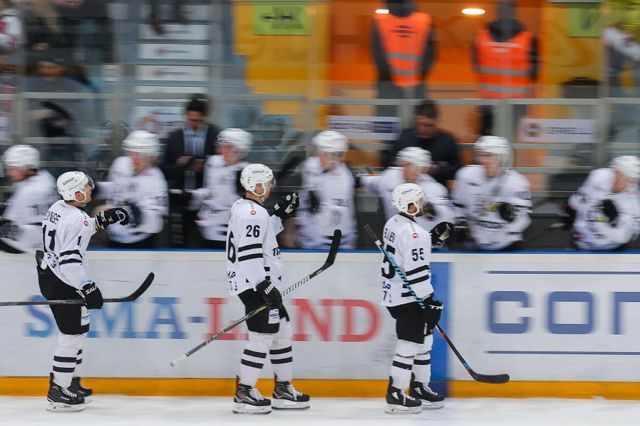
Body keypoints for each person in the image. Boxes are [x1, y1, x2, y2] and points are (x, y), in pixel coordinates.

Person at [38, 171, 129, 411]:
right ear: (76, 193)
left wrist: (102, 220)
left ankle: (71, 382)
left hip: (50, 275)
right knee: (72, 336)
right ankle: (58, 391)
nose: (90, 189)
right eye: (86, 187)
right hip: (65, 281)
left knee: (77, 332)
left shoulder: (57, 207)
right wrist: (88, 288)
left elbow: (74, 229)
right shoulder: (77, 218)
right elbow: (70, 262)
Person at [226, 163, 308, 414]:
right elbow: (250, 254)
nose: (271, 186)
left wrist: (278, 215)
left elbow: (263, 236)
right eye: (268, 182)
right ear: (257, 185)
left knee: (282, 330)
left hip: (255, 282)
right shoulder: (253, 214)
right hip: (256, 284)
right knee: (262, 336)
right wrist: (263, 285)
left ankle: (283, 387)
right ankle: (244, 392)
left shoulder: (246, 208)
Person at [380, 182, 445, 414]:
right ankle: (396, 394)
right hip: (410, 297)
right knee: (408, 345)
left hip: (394, 293)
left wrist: (430, 240)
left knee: (424, 341)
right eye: (418, 200)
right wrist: (428, 301)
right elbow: (416, 273)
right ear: (409, 205)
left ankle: (419, 387)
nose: (422, 203)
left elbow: (405, 250)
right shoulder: (415, 233)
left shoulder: (393, 223)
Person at [161, 94, 221, 247]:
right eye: (190, 119)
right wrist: (181, 167)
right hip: (180, 199)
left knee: (203, 241)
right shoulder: (174, 138)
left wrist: (205, 166)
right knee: (180, 240)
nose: (193, 123)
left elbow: (222, 165)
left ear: (204, 118)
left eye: (197, 120)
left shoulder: (215, 135)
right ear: (186, 116)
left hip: (206, 199)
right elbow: (163, 170)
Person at [471, 0, 538, 136]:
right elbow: (534, 74)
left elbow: (476, 66)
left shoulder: (481, 37)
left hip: (490, 103)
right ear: (514, 12)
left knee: (488, 142)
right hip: (515, 105)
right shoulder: (529, 39)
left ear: (497, 11)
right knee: (508, 142)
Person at [452, 136, 531, 250]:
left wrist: (511, 216)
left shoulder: (516, 182)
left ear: (502, 157)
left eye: (490, 156)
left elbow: (524, 219)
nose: (484, 160)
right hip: (474, 245)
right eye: (481, 155)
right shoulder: (466, 175)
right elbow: (458, 206)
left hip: (505, 245)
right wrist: (460, 223)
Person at [361, 147, 455, 240]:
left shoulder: (434, 188)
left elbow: (448, 215)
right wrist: (359, 178)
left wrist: (430, 209)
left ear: (421, 169)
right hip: (395, 240)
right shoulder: (391, 177)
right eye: (403, 165)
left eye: (409, 165)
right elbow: (371, 181)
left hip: (424, 243)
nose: (403, 169)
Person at [97, 130, 168, 248]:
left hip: (139, 244)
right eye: (132, 153)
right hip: (113, 239)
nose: (134, 158)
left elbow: (155, 222)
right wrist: (95, 188)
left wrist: (116, 212)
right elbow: (114, 188)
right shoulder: (120, 164)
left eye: (141, 155)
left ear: (151, 157)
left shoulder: (156, 180)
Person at [188, 128, 252, 248]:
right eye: (221, 146)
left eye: (227, 147)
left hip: (230, 225)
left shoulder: (247, 171)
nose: (222, 150)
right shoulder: (213, 162)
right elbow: (209, 189)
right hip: (207, 222)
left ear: (239, 149)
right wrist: (193, 195)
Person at [371, 0, 436, 116]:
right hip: (415, 86)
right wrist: (419, 78)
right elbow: (430, 55)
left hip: (388, 87)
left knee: (386, 122)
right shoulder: (425, 21)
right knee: (416, 123)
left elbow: (378, 55)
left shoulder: (380, 21)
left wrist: (388, 80)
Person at [565, 156, 640, 250]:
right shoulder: (599, 176)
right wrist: (570, 209)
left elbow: (623, 236)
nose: (625, 183)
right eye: (623, 176)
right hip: (582, 244)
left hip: (612, 249)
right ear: (614, 170)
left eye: (630, 180)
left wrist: (611, 221)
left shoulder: (631, 196)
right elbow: (579, 201)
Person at [297, 130, 357, 249]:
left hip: (332, 241)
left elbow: (328, 218)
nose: (319, 158)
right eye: (319, 153)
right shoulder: (311, 165)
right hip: (309, 238)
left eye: (325, 154)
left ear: (336, 156)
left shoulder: (343, 179)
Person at [384, 100, 462, 186]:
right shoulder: (404, 138)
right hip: (405, 189)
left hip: (436, 191)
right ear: (416, 120)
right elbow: (388, 164)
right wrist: (404, 165)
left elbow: (458, 171)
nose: (424, 129)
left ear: (437, 121)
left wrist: (437, 169)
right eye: (420, 124)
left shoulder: (447, 141)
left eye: (429, 125)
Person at [0, 144, 57, 253]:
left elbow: (37, 231)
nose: (9, 172)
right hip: (30, 234)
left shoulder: (34, 190)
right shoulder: (44, 177)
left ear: (26, 167)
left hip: (30, 241)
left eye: (12, 168)